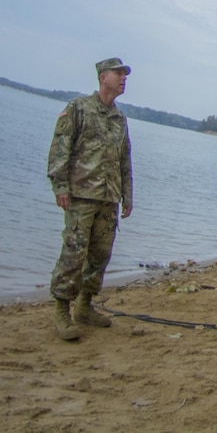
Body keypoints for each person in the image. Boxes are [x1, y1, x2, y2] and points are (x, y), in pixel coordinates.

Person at [46, 57, 134, 340]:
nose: (123, 79)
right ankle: (62, 311)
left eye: (125, 75)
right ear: (102, 77)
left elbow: (125, 160)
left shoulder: (119, 118)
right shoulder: (78, 108)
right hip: (81, 195)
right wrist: (60, 185)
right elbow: (61, 148)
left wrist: (127, 195)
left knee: (99, 255)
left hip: (109, 198)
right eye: (118, 74)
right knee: (74, 253)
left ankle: (84, 306)